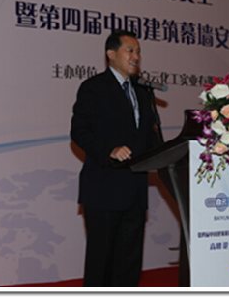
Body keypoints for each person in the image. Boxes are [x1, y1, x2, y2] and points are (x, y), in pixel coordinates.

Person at [70, 29, 160, 287]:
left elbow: (149, 138)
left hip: (135, 190)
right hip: (104, 188)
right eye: (129, 50)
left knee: (129, 264)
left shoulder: (142, 92)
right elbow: (79, 131)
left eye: (138, 51)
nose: (136, 56)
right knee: (102, 262)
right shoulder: (93, 88)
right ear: (111, 54)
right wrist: (108, 150)